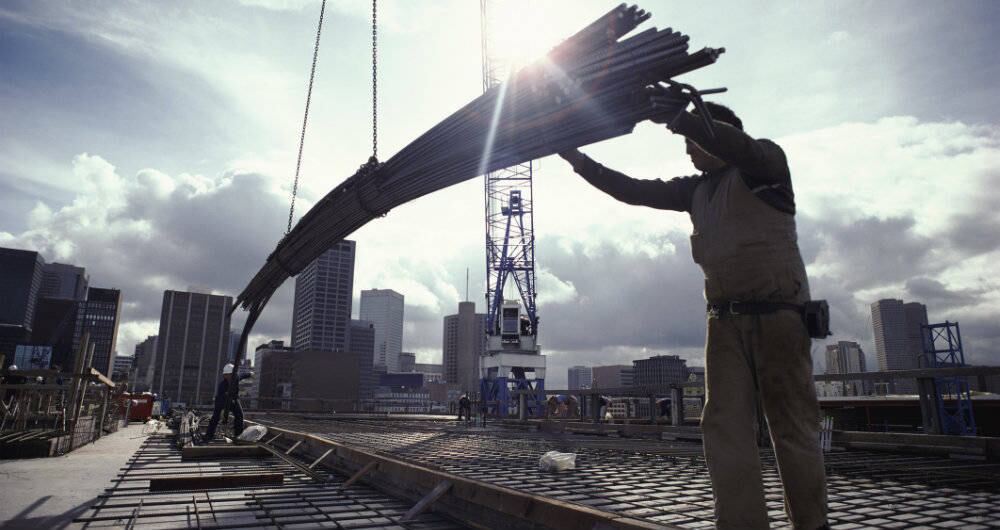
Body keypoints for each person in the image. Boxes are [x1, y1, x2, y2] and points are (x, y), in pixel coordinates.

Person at [558, 93, 828, 530]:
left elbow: (737, 146)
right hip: (723, 322)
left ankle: (812, 524)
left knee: (792, 427)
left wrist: (680, 118)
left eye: (692, 141)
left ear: (716, 134)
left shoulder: (765, 166)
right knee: (724, 427)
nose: (687, 150)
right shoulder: (696, 190)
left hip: (778, 315)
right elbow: (633, 190)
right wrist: (577, 159)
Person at [203, 363, 252, 441]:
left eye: (231, 374)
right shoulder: (222, 386)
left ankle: (238, 434)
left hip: (234, 400)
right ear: (225, 375)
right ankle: (209, 435)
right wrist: (223, 410)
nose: (229, 376)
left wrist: (250, 374)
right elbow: (221, 398)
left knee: (239, 416)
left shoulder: (236, 378)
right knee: (215, 417)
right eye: (227, 375)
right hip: (221, 401)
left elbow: (243, 375)